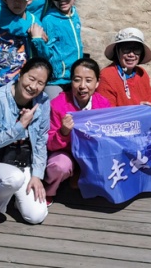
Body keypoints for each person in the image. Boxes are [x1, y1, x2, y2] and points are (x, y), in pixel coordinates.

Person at [0, 58, 52, 227]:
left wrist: (37, 175)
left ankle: (13, 197)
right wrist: (20, 126)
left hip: (23, 162)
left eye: (40, 83)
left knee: (36, 215)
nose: (33, 86)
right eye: (31, 78)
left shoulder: (43, 102)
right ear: (21, 73)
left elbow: (40, 141)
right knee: (14, 178)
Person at [44, 58, 111, 202]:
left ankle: (81, 177)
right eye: (77, 80)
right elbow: (49, 143)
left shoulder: (103, 104)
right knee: (59, 166)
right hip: (66, 152)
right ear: (71, 81)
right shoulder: (58, 104)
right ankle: (50, 190)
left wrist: (142, 109)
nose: (82, 86)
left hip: (91, 154)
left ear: (97, 82)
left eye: (88, 80)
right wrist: (63, 132)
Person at [32, 0, 83, 100]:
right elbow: (46, 53)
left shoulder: (75, 15)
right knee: (55, 111)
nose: (62, 0)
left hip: (74, 76)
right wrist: (38, 41)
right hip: (57, 79)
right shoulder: (50, 20)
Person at [97, 28, 151, 107]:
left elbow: (150, 104)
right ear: (117, 51)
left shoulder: (142, 74)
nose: (131, 54)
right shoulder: (106, 76)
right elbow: (108, 113)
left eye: (136, 49)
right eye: (126, 49)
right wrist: (137, 110)